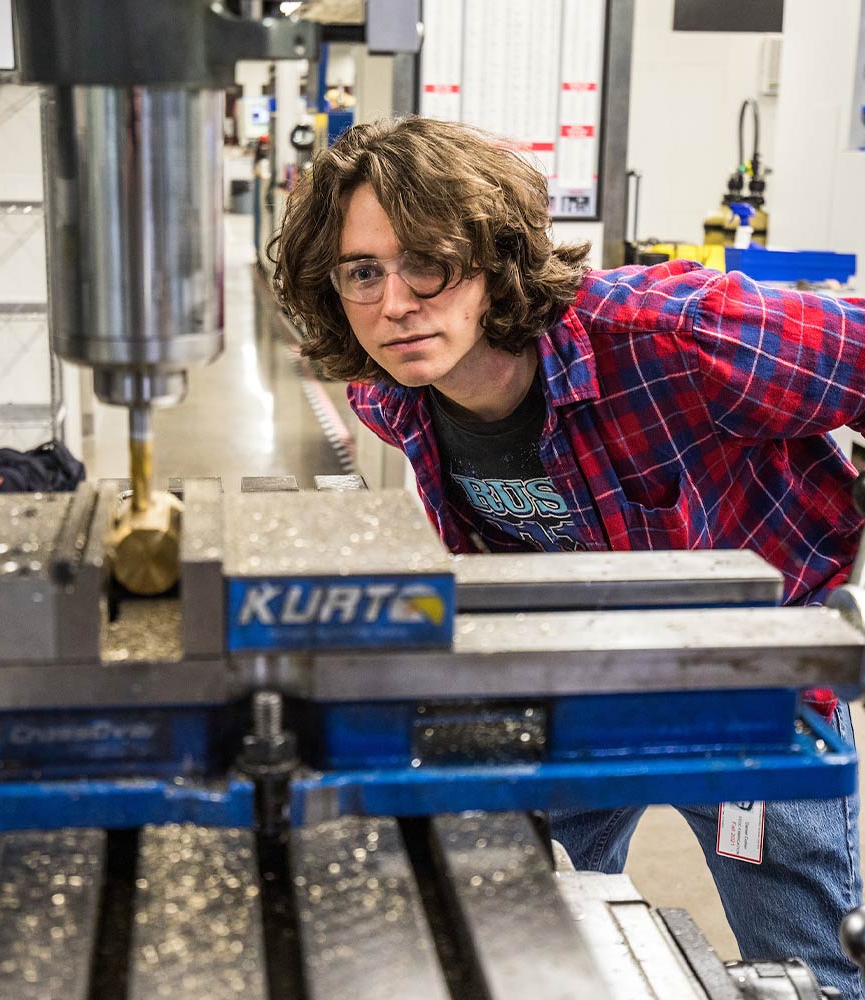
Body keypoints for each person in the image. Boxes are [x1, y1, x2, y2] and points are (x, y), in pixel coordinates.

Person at [270, 115, 865, 996]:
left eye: (426, 261)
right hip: (569, 682)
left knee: (810, 972)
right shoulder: (391, 397)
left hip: (748, 697)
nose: (395, 303)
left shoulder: (676, 337)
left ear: (492, 255)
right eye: (363, 272)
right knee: (502, 924)